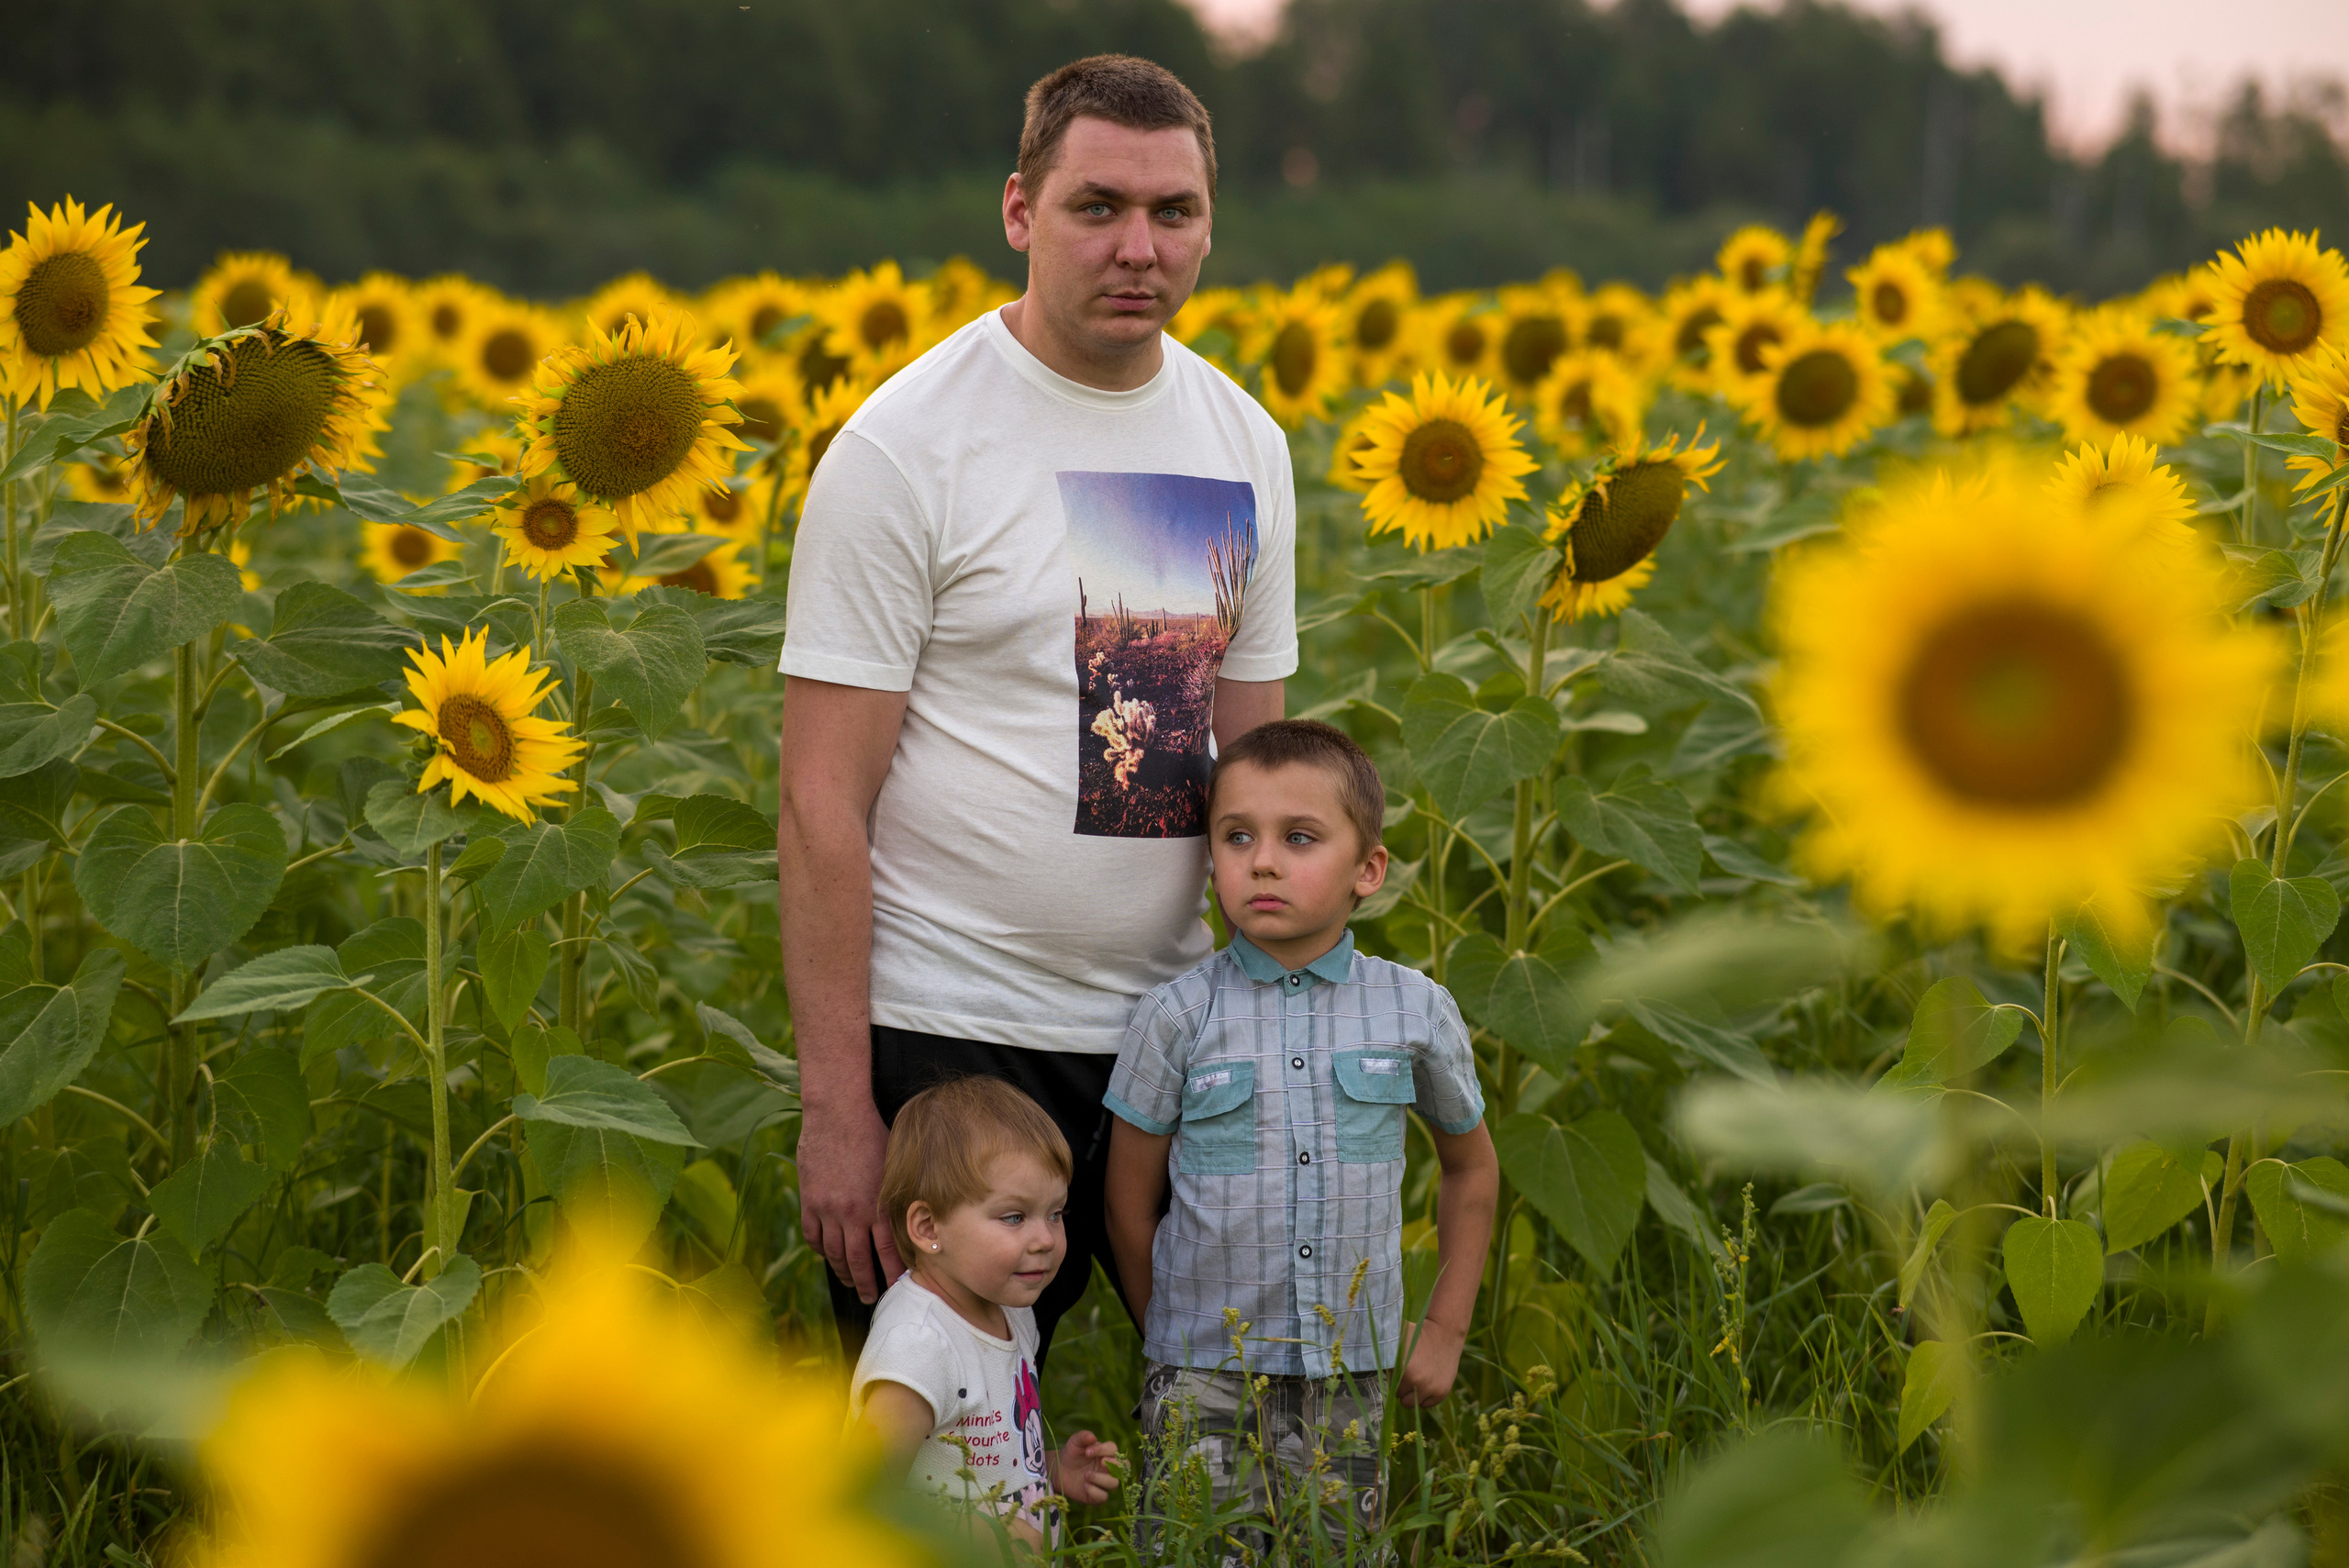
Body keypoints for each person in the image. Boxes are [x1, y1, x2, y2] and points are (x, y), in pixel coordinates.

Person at [777, 50, 1295, 1363]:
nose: (1139, 247)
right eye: (1097, 207)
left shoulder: (1242, 444)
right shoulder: (907, 447)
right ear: (1020, 212)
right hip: (954, 1040)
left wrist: (1281, 1033)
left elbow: (1255, 777)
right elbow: (821, 802)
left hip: (1177, 1032)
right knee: (946, 1460)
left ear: (1209, 227)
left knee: (1245, 1418)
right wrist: (840, 1106)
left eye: (1173, 214)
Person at [1102, 719, 1500, 1558]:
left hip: (1349, 1367)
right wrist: (1168, 1340)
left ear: (1370, 869)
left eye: (1300, 837)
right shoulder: (1176, 1017)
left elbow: (1470, 1169)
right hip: (1201, 1369)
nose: (1265, 861)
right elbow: (1129, 1204)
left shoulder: (1413, 1010)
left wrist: (1445, 1329)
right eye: (1237, 836)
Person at [850, 1075, 1121, 1551]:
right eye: (1014, 1217)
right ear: (928, 1226)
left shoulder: (1008, 1310)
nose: (1045, 1239)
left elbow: (984, 1461)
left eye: (1055, 1213)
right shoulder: (919, 1346)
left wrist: (1053, 1470)